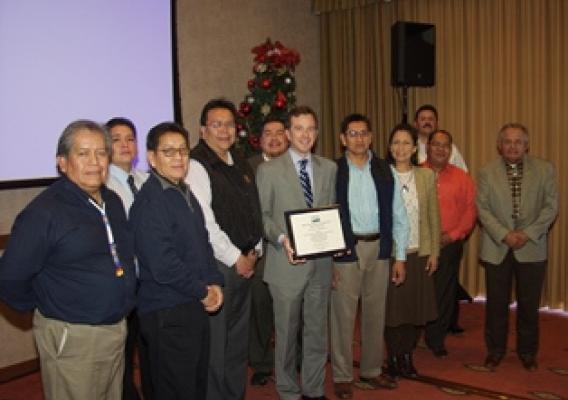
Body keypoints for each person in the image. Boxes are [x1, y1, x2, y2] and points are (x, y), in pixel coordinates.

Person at [0, 120, 136, 400]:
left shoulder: (112, 201)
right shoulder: (44, 213)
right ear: (62, 162)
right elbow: (10, 279)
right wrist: (47, 305)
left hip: (115, 329)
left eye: (101, 153)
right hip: (73, 337)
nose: (94, 162)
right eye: (83, 153)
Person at [130, 122, 224, 399]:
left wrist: (215, 281)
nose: (178, 158)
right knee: (174, 389)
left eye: (183, 151)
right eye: (168, 152)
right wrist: (203, 291)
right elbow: (163, 265)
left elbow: (203, 243)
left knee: (195, 384)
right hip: (167, 311)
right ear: (152, 158)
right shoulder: (150, 202)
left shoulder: (184, 191)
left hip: (191, 304)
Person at [256, 106, 337, 400]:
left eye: (310, 129)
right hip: (285, 264)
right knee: (287, 335)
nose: (305, 135)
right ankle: (288, 391)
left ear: (316, 133)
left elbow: (330, 214)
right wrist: (282, 238)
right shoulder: (268, 171)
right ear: (288, 134)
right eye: (299, 129)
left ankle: (314, 389)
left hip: (321, 264)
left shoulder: (329, 168)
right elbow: (262, 217)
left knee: (317, 332)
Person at [189, 99, 264, 400]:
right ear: (203, 130)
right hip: (219, 266)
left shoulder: (240, 161)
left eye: (229, 124)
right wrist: (236, 258)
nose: (224, 130)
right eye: (216, 124)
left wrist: (255, 250)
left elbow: (253, 210)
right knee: (216, 346)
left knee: (236, 342)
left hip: (245, 263)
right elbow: (205, 222)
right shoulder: (196, 165)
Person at [331, 114, 409, 399]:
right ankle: (341, 375)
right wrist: (330, 258)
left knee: (376, 314)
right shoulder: (334, 170)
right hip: (346, 250)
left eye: (364, 133)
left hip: (379, 249)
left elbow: (400, 215)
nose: (359, 139)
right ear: (343, 139)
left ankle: (371, 370)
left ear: (371, 137)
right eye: (352, 133)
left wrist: (399, 257)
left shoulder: (385, 170)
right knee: (343, 316)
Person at [476, 123, 558, 372]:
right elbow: (483, 209)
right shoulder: (486, 172)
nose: (512, 146)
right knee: (496, 305)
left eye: (518, 141)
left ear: (526, 145)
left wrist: (526, 233)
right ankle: (495, 350)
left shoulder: (545, 170)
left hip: (531, 247)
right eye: (507, 141)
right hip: (496, 247)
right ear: (499, 145)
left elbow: (551, 207)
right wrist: (504, 235)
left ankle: (527, 351)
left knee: (529, 305)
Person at [384, 124, 440, 380]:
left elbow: (433, 217)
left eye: (406, 143)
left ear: (415, 148)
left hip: (420, 251)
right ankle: (393, 357)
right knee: (393, 311)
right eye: (396, 142)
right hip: (392, 255)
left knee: (415, 311)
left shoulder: (426, 176)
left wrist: (435, 252)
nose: (401, 148)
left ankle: (407, 355)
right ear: (389, 147)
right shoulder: (382, 175)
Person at [104, 117, 150, 400]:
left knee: (149, 348)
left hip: (152, 280)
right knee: (121, 352)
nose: (124, 145)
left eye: (130, 139)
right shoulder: (101, 186)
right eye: (116, 139)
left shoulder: (146, 180)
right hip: (123, 283)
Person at [422, 130, 476, 357]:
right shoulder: (415, 174)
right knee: (419, 292)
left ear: (451, 150)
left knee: (444, 294)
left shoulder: (462, 177)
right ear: (428, 147)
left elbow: (470, 212)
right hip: (420, 245)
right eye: (436, 144)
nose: (441, 149)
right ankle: (413, 335)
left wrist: (452, 235)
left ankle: (436, 339)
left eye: (445, 145)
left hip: (450, 244)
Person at [248, 116, 289, 387]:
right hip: (260, 251)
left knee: (292, 309)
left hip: (291, 249)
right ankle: (262, 362)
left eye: (278, 133)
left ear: (287, 137)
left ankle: (291, 358)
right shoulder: (247, 168)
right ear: (259, 139)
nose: (274, 138)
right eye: (268, 134)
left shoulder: (297, 165)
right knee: (260, 309)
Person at [414, 104, 467, 171]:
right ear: (415, 124)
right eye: (423, 119)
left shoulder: (450, 148)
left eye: (431, 119)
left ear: (437, 124)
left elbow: (463, 173)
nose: (427, 122)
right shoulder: (411, 148)